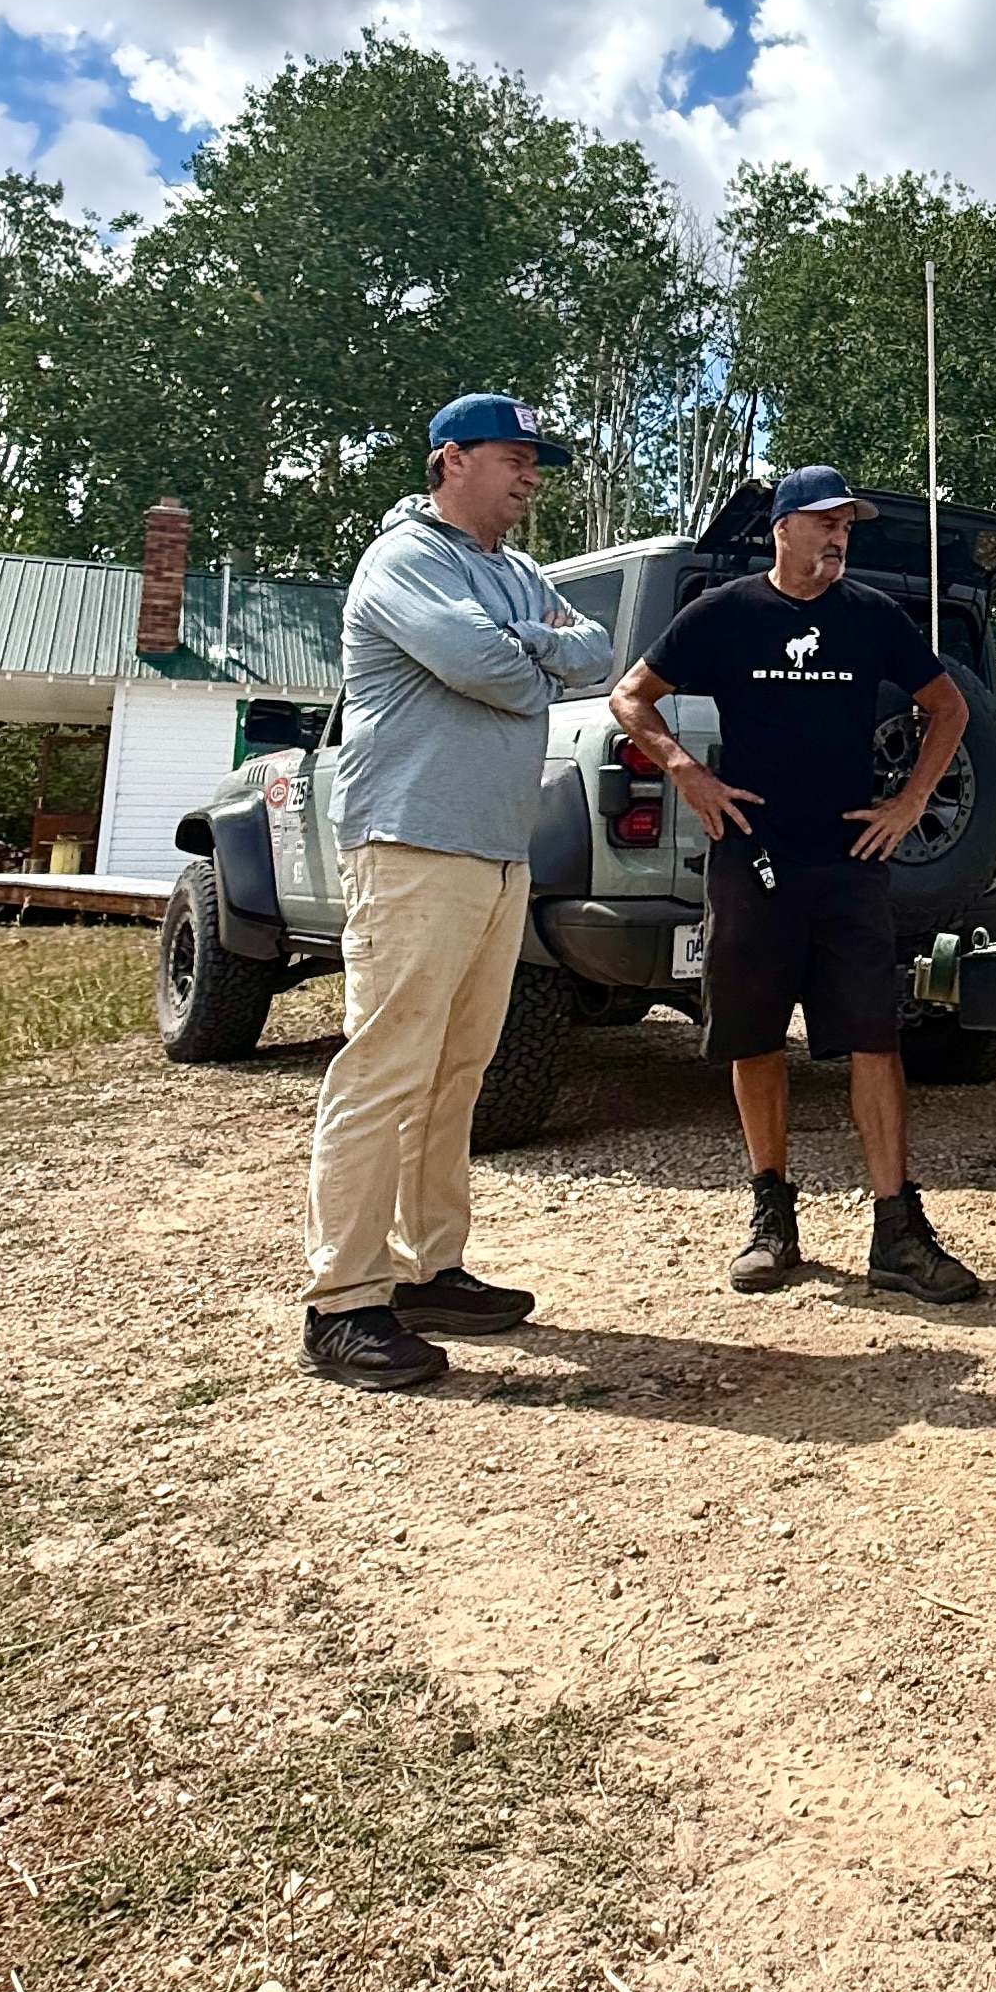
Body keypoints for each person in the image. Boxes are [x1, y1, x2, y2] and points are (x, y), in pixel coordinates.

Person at [607, 465, 984, 1305]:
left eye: (846, 524)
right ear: (782, 528)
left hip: (848, 862)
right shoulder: (727, 614)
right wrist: (686, 775)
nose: (839, 537)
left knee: (873, 1038)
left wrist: (912, 799)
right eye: (823, 522)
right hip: (753, 856)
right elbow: (630, 697)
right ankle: (771, 1218)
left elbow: (948, 707)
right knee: (754, 1036)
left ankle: (896, 1230)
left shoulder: (871, 618)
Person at [300, 395, 613, 1393]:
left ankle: (428, 1269)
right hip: (410, 845)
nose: (530, 474)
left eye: (536, 459)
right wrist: (531, 651)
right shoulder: (403, 558)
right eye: (513, 456)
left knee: (456, 1072)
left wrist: (521, 643)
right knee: (386, 1067)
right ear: (451, 460)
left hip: (494, 852)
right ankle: (343, 1302)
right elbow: (497, 668)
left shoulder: (514, 572)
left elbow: (595, 651)